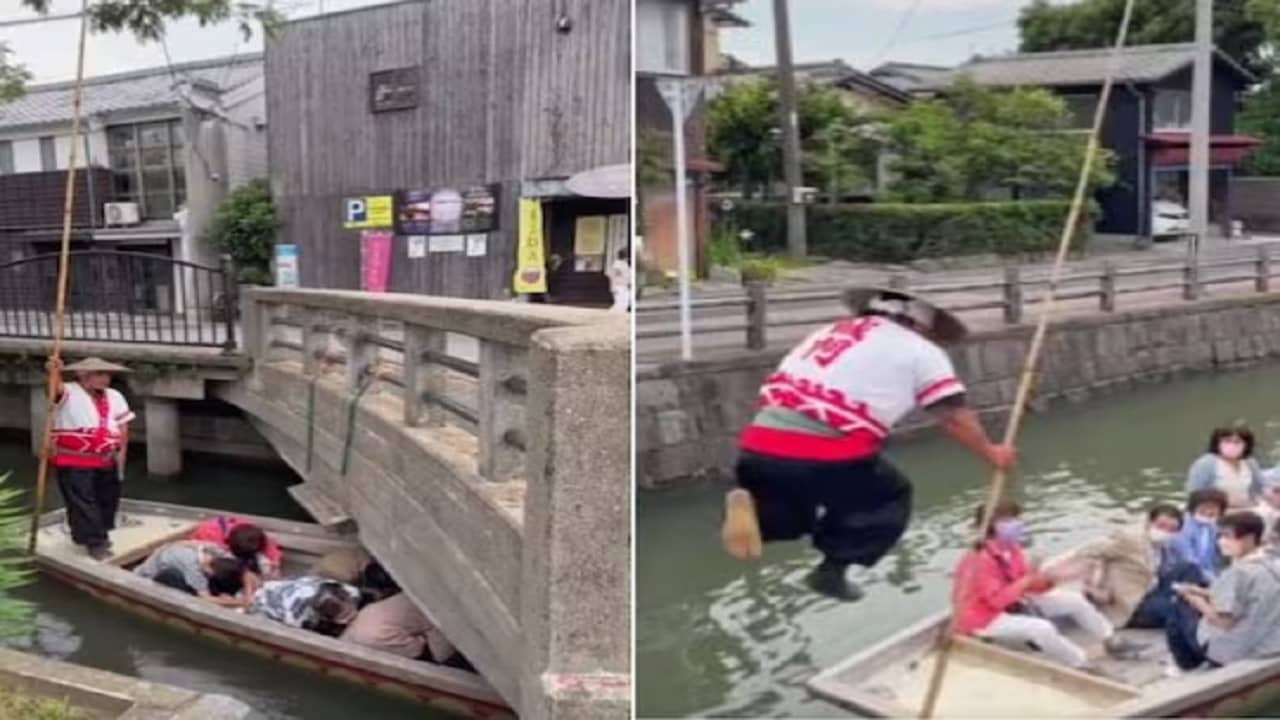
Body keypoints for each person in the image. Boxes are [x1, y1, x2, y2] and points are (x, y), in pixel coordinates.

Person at [721, 287, 1016, 601]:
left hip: (758, 446)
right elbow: (953, 417)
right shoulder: (921, 351)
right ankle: (831, 570)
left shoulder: (829, 332)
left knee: (796, 511)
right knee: (888, 497)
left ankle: (756, 513)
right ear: (920, 325)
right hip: (822, 452)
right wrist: (991, 453)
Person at [952, 501, 1139, 670]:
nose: (1016, 524)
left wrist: (1053, 578)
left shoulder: (1011, 548)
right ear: (992, 526)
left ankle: (1111, 640)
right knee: (1041, 628)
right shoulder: (980, 559)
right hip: (983, 618)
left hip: (1015, 604)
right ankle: (1081, 663)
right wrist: (1029, 578)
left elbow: (1028, 583)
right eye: (1008, 520)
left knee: (1073, 600)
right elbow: (997, 600)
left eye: (1015, 518)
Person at [46, 357, 135, 561]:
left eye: (107, 374)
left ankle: (90, 534)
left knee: (106, 500)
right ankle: (96, 542)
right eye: (100, 374)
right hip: (75, 461)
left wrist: (121, 458)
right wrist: (54, 373)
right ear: (83, 375)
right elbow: (54, 392)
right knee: (83, 501)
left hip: (106, 458)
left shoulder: (114, 395)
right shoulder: (69, 391)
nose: (106, 378)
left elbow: (122, 428)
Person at [1167, 511, 1280, 671]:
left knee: (1178, 604)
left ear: (1248, 538)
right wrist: (1201, 591)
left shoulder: (1239, 573)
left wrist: (1194, 600)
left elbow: (1223, 622)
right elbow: (1247, 598)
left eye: (1227, 537)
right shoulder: (1271, 564)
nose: (1221, 542)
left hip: (1239, 650)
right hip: (1269, 642)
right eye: (1219, 537)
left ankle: (1188, 664)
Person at [1075, 503, 1192, 629]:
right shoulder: (1130, 540)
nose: (1165, 532)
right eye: (1161, 525)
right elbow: (1089, 551)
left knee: (1188, 568)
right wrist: (1093, 581)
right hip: (1132, 604)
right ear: (1149, 522)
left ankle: (1188, 600)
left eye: (1171, 529)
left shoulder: (1162, 545)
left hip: (1150, 589)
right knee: (1179, 609)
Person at [340, 592, 456, 662]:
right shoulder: (366, 611)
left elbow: (416, 650)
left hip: (441, 619)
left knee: (438, 661)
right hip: (426, 598)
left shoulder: (370, 637)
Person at [134, 541, 248, 607]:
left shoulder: (216, 554)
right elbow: (206, 599)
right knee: (173, 576)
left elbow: (245, 572)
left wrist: (249, 594)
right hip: (148, 575)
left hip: (164, 555)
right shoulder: (194, 569)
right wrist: (238, 602)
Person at [1187, 427, 1266, 510]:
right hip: (1217, 511)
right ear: (1217, 443)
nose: (1232, 445)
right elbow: (1195, 494)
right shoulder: (1205, 464)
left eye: (1237, 442)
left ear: (1246, 444)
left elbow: (1259, 488)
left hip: (1248, 508)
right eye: (1227, 441)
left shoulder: (1250, 463)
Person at [250, 576, 360, 634]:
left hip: (293, 585)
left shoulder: (350, 591)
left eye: (350, 609)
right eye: (345, 616)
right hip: (264, 602)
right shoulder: (295, 617)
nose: (352, 616)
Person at [189, 516, 283, 580]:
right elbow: (195, 552)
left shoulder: (251, 532)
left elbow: (270, 546)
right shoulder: (207, 532)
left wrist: (275, 566)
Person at [1173, 489, 1230, 582]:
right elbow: (1188, 559)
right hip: (1186, 574)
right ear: (1193, 507)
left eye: (1213, 507)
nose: (1208, 511)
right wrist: (1216, 581)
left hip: (1212, 572)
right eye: (1204, 507)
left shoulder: (1215, 526)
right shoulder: (1182, 526)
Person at [608, 247, 631, 313]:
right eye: (626, 255)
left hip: (625, 285)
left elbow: (626, 275)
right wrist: (613, 287)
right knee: (620, 303)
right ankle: (610, 315)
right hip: (619, 286)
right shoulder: (617, 264)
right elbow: (613, 276)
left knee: (625, 302)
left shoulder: (625, 264)